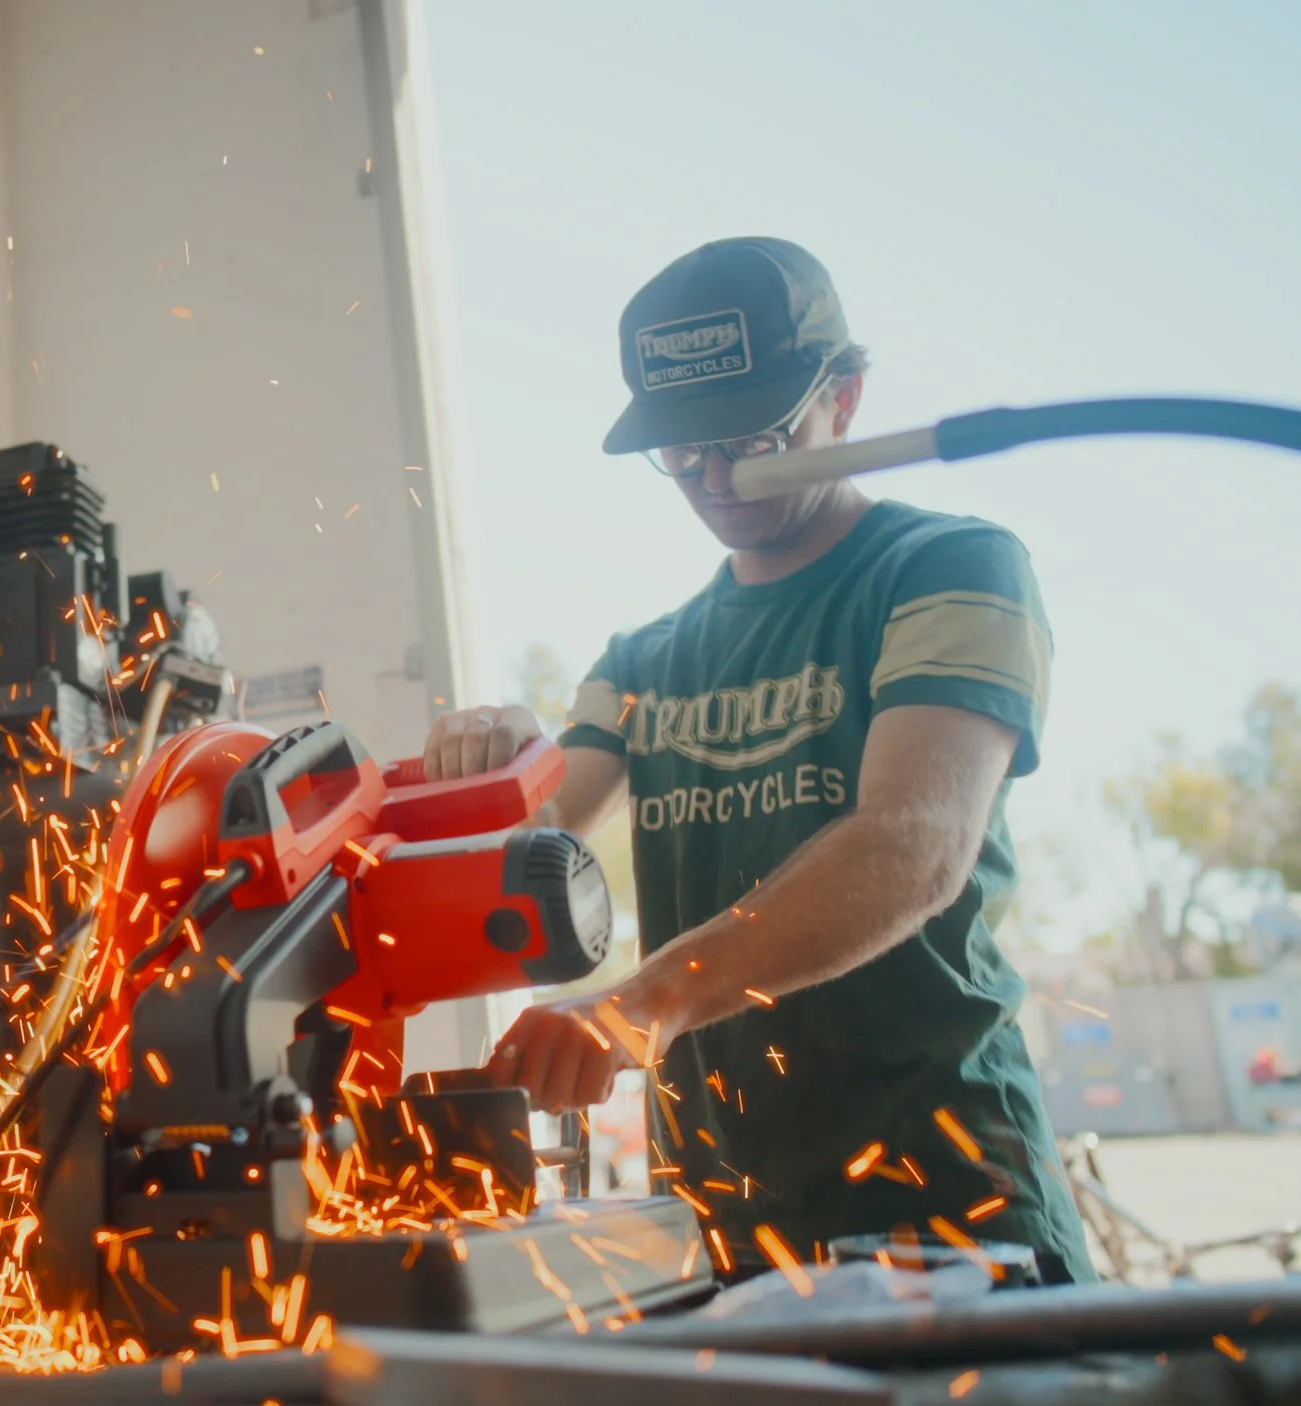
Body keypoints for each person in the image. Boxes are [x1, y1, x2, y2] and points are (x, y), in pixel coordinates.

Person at [423, 237, 1096, 1284]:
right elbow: (528, 848)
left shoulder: (950, 567)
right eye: (680, 453)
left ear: (846, 396)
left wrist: (638, 1002)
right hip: (717, 1229)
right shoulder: (641, 660)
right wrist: (491, 768)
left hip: (941, 1204)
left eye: (746, 436)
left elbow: (912, 843)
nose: (712, 478)